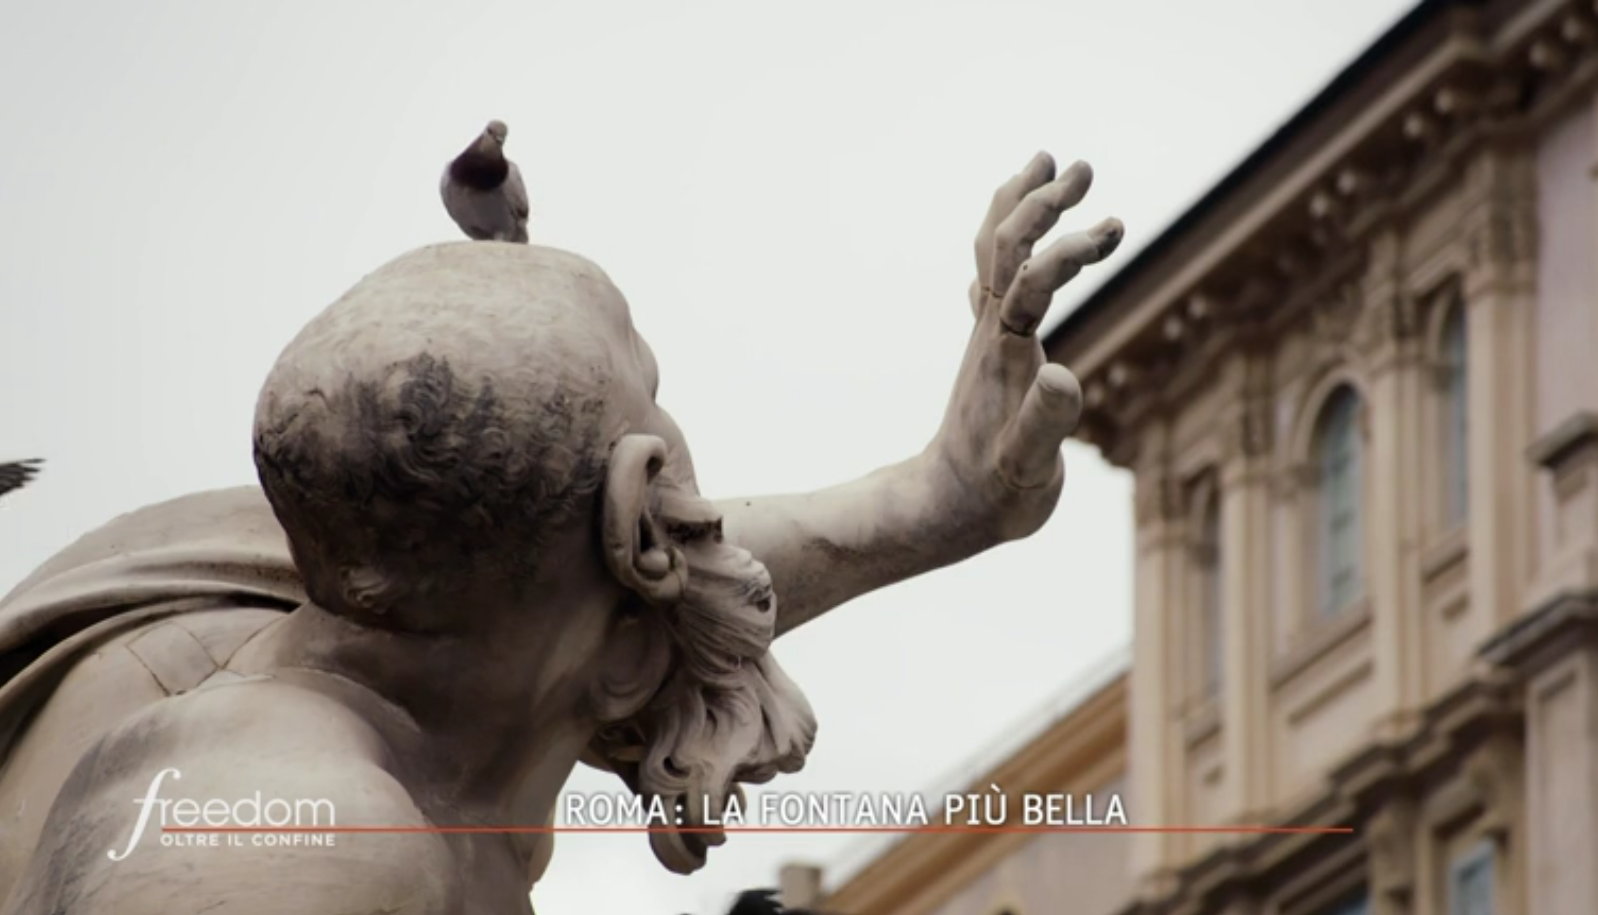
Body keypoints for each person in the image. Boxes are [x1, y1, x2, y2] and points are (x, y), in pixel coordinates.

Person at [0, 153, 1120, 915]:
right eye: (655, 391)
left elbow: (664, 572)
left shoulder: (383, 618)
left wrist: (937, 499)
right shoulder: (282, 840)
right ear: (636, 500)